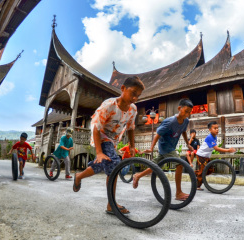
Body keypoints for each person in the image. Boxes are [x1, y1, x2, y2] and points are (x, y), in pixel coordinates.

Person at [72, 76, 145, 215]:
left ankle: (79, 176)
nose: (135, 98)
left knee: (101, 164)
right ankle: (111, 204)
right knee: (114, 164)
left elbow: (130, 128)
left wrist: (131, 145)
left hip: (113, 139)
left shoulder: (133, 110)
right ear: (123, 89)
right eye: (133, 93)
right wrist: (99, 152)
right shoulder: (109, 105)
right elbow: (96, 129)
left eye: (138, 96)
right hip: (100, 135)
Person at [132, 98, 195, 201]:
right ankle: (178, 193)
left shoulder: (186, 121)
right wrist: (151, 148)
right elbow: (158, 134)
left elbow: (183, 131)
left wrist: (188, 144)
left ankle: (138, 175)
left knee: (155, 166)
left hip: (171, 146)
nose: (187, 114)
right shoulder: (170, 122)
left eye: (189, 112)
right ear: (179, 108)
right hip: (165, 146)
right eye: (186, 111)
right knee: (179, 164)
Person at [195, 121, 235, 190]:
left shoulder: (215, 137)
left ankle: (195, 173)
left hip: (206, 156)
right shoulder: (210, 137)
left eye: (217, 128)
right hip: (201, 155)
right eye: (215, 128)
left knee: (210, 170)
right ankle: (197, 186)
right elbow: (216, 148)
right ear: (210, 130)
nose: (217, 129)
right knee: (202, 172)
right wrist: (228, 150)